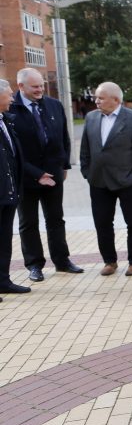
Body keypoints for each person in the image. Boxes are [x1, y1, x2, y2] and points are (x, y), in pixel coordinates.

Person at [10, 68, 84, 282]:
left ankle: (62, 261)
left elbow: (63, 138)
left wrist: (64, 166)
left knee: (55, 220)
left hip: (53, 175)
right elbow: (14, 150)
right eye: (35, 86)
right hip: (26, 177)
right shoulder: (10, 109)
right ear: (21, 86)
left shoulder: (54, 105)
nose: (40, 89)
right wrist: (36, 173)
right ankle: (34, 265)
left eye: (41, 85)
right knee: (28, 222)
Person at [80, 82, 132, 276]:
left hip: (128, 181)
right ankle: (109, 261)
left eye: (101, 98)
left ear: (116, 100)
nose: (96, 101)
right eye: (96, 97)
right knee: (102, 223)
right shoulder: (91, 118)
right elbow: (85, 149)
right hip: (98, 181)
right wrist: (87, 172)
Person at [0, 79, 29, 296]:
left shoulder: (5, 121)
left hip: (8, 194)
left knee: (4, 239)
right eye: (9, 95)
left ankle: (3, 281)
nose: (12, 98)